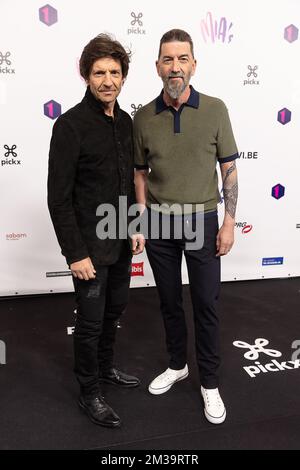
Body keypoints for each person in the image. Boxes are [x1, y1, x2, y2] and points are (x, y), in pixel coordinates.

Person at [134, 29, 238, 424]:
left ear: (193, 64)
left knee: (206, 303)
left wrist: (228, 222)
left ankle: (209, 382)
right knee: (168, 301)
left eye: (182, 59)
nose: (174, 66)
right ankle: (178, 365)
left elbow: (228, 169)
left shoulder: (215, 109)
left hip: (202, 219)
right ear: (157, 66)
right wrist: (141, 217)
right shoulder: (143, 116)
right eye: (167, 59)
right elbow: (140, 173)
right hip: (159, 222)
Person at [48, 33, 145, 428]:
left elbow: (128, 183)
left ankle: (106, 370)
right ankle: (89, 392)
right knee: (89, 322)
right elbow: (59, 198)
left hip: (120, 243)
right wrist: (75, 254)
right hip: (88, 249)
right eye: (99, 72)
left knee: (114, 311)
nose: (108, 80)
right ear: (85, 75)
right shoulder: (69, 125)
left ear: (124, 76)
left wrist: (136, 227)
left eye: (115, 72)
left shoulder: (126, 122)